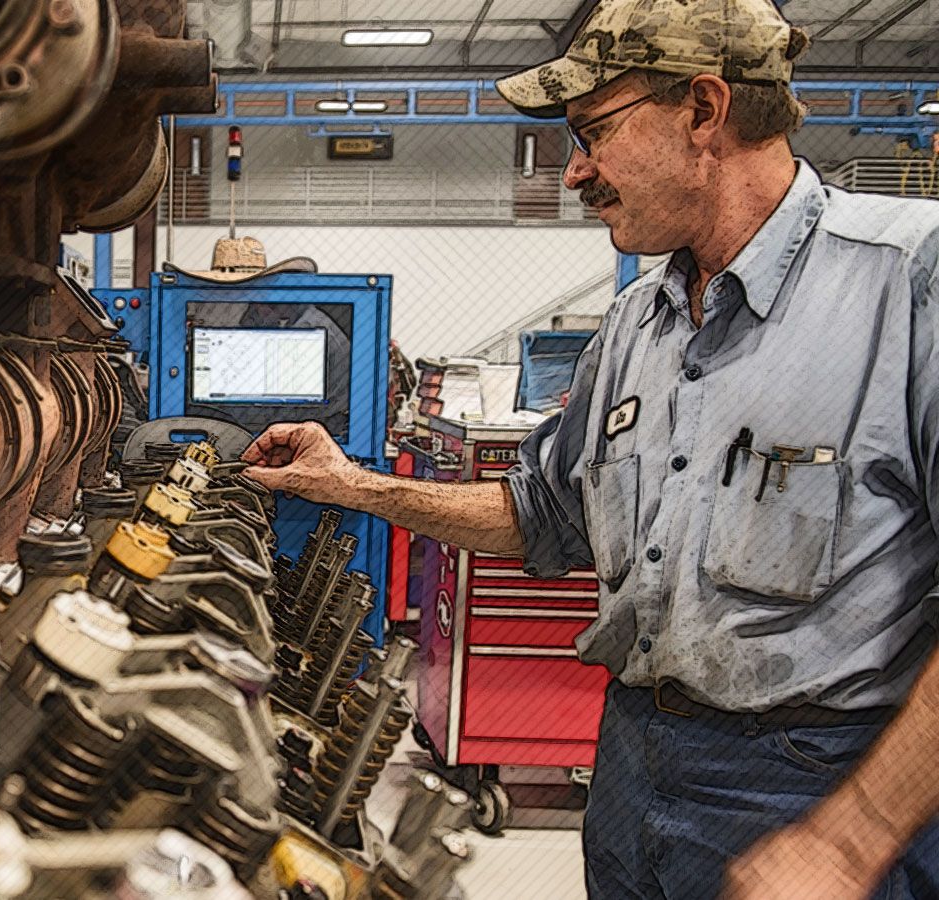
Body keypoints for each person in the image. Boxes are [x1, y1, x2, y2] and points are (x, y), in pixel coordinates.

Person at [240, 0, 939, 897]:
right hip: (632, 763)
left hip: (817, 786)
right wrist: (352, 485)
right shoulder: (636, 324)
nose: (574, 171)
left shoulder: (906, 285)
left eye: (592, 132)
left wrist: (854, 837)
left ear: (703, 109)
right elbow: (541, 512)